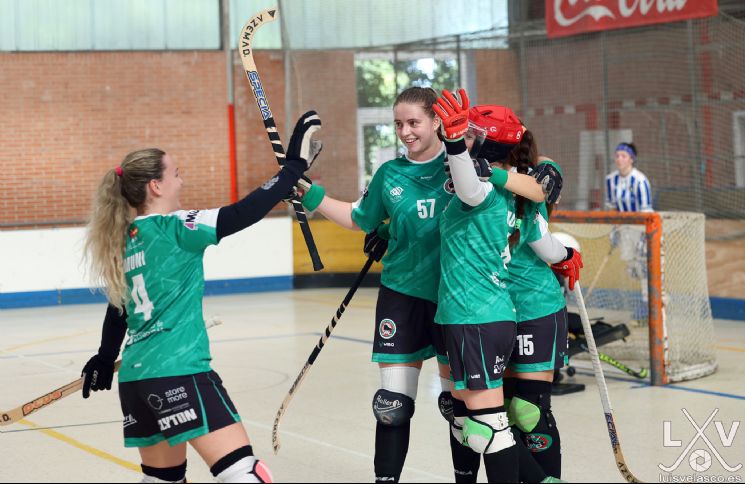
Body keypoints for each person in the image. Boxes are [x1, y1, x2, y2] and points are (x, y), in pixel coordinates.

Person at [80, 111, 322, 483]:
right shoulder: (177, 228)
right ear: (156, 187)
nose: (182, 180)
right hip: (180, 370)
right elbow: (243, 212)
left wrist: (105, 355)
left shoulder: (123, 240)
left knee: (163, 479)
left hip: (136, 380)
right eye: (175, 173)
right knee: (245, 472)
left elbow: (119, 309)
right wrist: (293, 169)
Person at [432, 91, 579, 483]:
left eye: (471, 131)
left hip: (524, 305)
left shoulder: (516, 182)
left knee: (523, 413)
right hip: (497, 308)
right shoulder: (473, 178)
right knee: (484, 416)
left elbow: (536, 203)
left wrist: (565, 253)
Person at [605, 142, 651, 318]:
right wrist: (614, 231)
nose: (619, 159)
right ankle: (645, 300)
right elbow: (612, 207)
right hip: (624, 228)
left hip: (640, 227)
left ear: (632, 159)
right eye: (617, 155)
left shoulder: (640, 180)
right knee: (632, 267)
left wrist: (643, 236)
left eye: (623, 156)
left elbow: (646, 210)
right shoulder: (611, 180)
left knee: (643, 265)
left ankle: (648, 305)